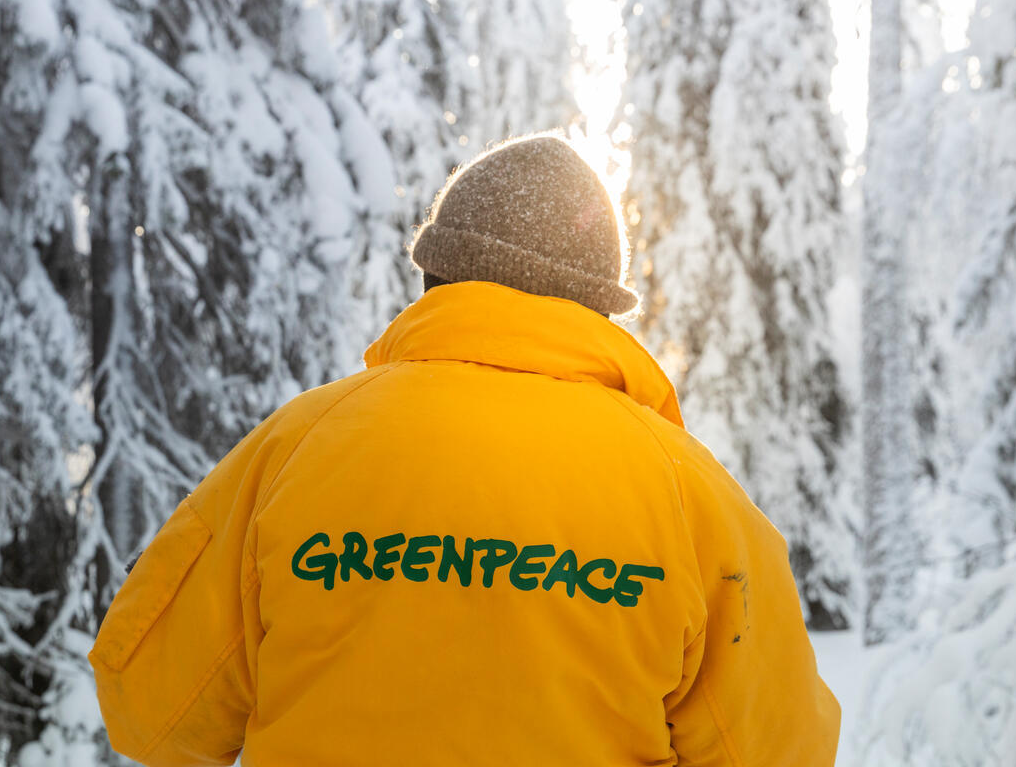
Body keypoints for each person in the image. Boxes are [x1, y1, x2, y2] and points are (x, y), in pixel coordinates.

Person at [88, 133, 840, 766]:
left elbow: (150, 712)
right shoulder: (689, 492)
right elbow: (782, 751)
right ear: (598, 305)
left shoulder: (298, 447)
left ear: (433, 280)